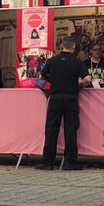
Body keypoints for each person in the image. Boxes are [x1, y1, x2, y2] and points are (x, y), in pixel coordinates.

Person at [36, 36, 90, 171]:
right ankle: (70, 162)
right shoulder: (77, 62)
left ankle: (48, 161)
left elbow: (41, 77)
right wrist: (81, 85)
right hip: (71, 98)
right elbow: (87, 79)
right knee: (70, 130)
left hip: (55, 98)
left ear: (61, 46)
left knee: (51, 129)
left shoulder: (52, 61)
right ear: (74, 47)